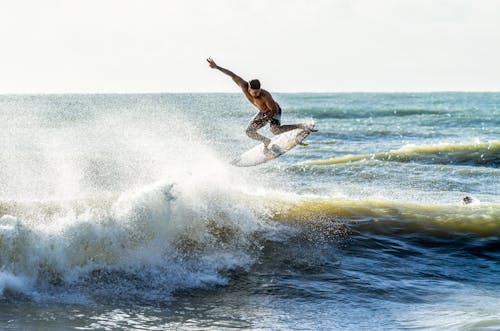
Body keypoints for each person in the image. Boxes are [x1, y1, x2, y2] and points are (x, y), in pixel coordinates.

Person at [207, 58, 315, 149]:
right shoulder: (243, 85)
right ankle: (266, 141)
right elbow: (232, 75)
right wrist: (216, 67)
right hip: (262, 112)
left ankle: (301, 126)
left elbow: (273, 111)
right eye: (255, 92)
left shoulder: (265, 96)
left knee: (275, 130)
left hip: (273, 110)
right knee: (249, 132)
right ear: (249, 89)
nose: (258, 93)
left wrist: (263, 119)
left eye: (259, 90)